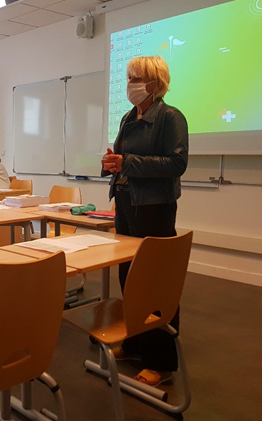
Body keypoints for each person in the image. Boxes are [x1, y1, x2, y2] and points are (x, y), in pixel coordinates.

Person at [101, 55, 189, 386]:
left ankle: (161, 361)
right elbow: (125, 161)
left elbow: (176, 164)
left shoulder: (170, 117)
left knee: (155, 284)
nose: (129, 85)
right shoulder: (128, 116)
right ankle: (136, 342)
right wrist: (112, 162)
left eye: (136, 78)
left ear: (154, 82)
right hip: (126, 204)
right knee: (130, 278)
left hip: (154, 209)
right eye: (128, 78)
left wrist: (129, 161)